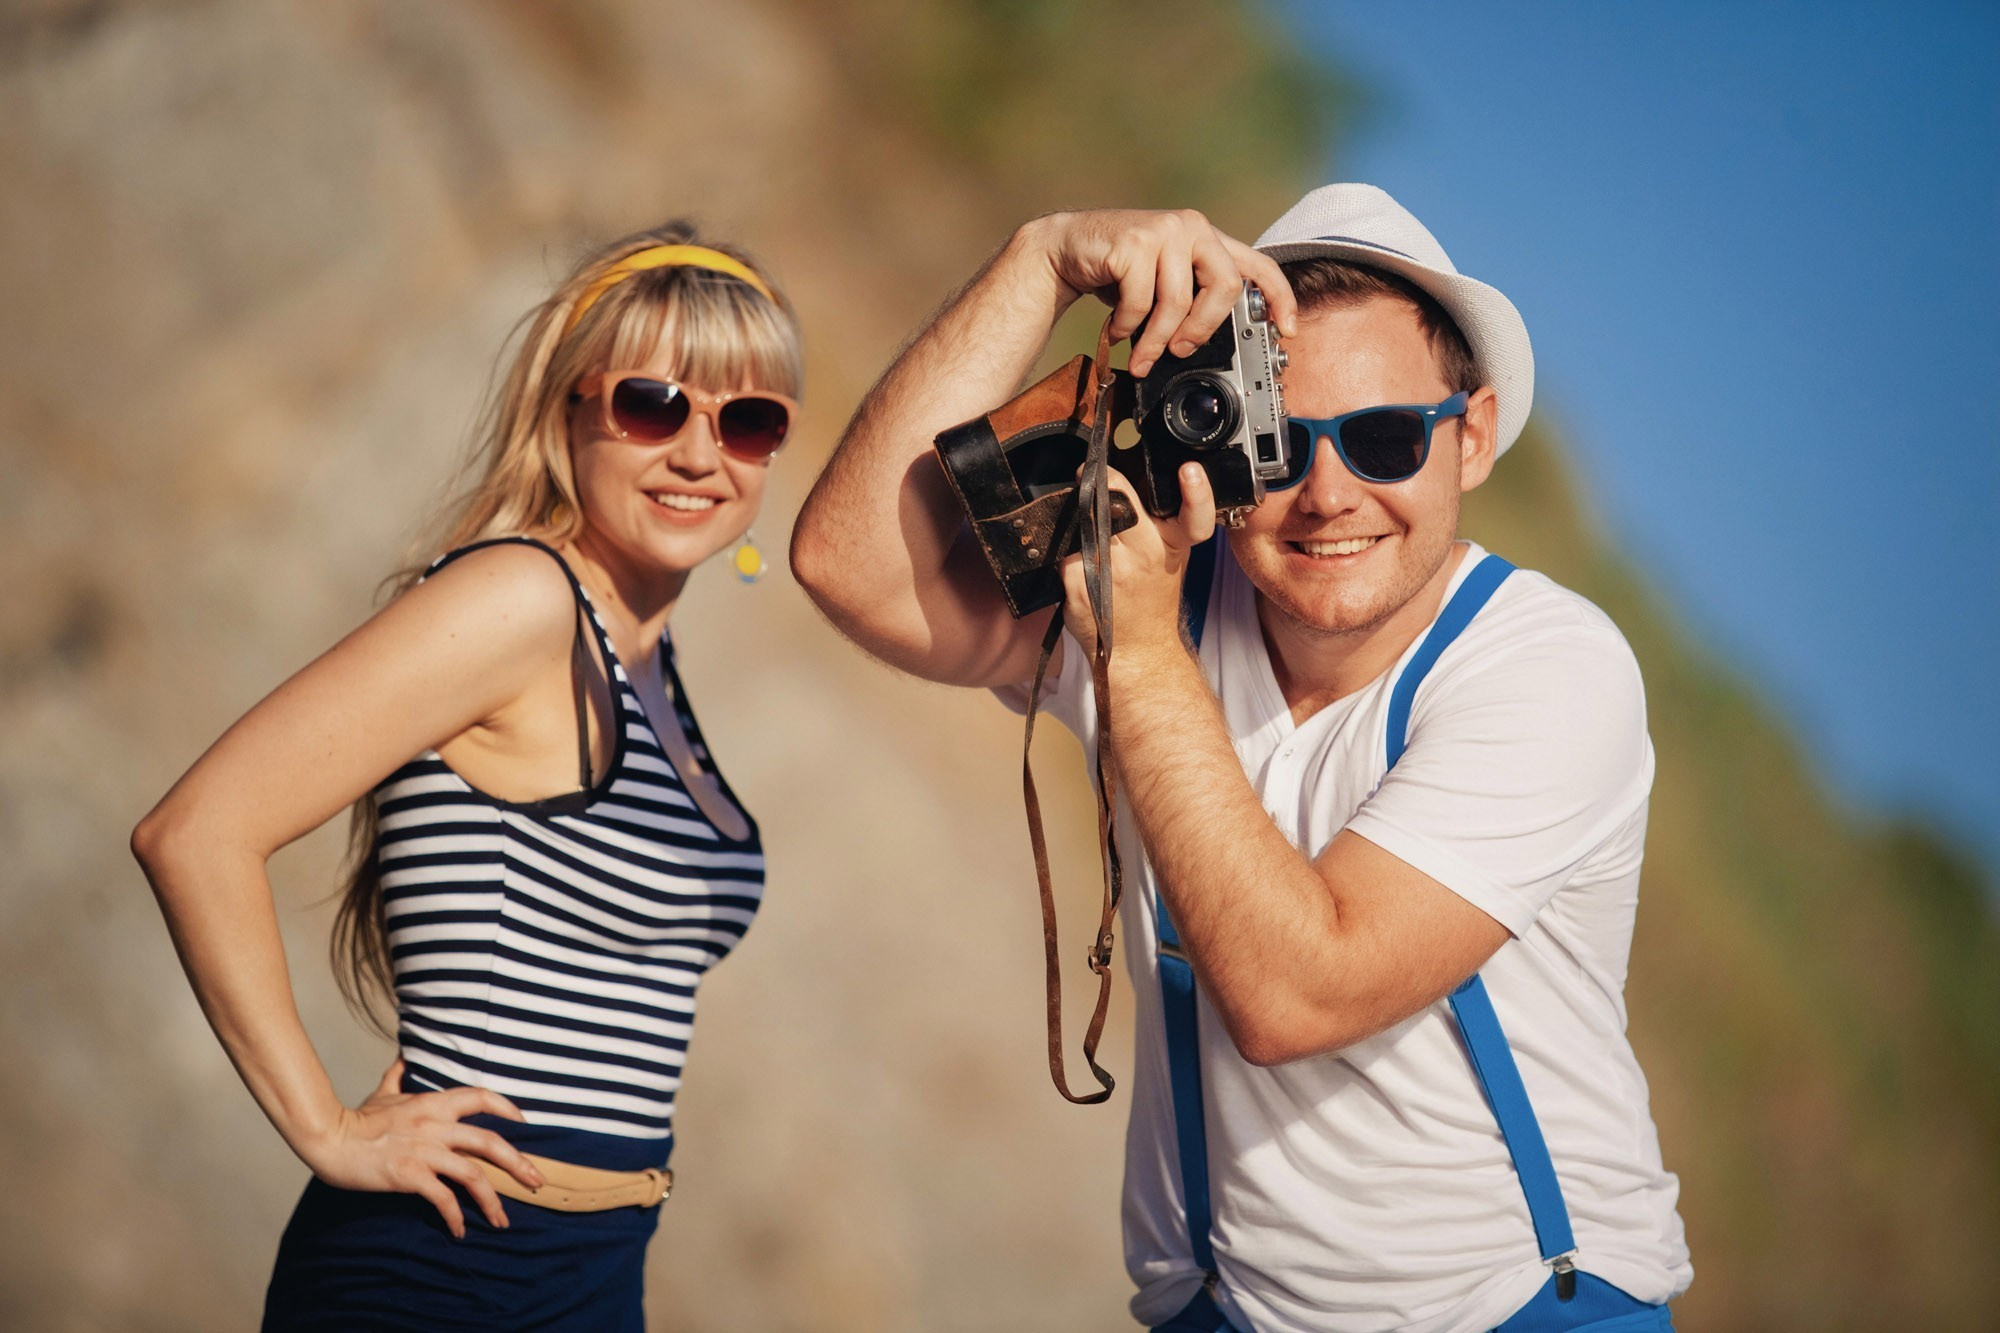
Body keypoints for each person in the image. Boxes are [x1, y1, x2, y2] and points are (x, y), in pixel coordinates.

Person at [791, 185, 1691, 1332]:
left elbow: (1296, 992)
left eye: (1379, 439)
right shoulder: (1160, 589)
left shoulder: (1548, 666)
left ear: (1468, 438)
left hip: (1512, 1308)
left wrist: (1138, 655)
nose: (1325, 494)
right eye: (1276, 442)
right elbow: (845, 562)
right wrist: (1039, 259)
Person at [131, 222, 801, 1330]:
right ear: (569, 408)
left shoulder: (646, 661)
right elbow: (197, 831)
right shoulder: (521, 603)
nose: (699, 452)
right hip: (442, 1270)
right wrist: (326, 1128)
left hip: (591, 1267)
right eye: (652, 403)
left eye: (748, 420)